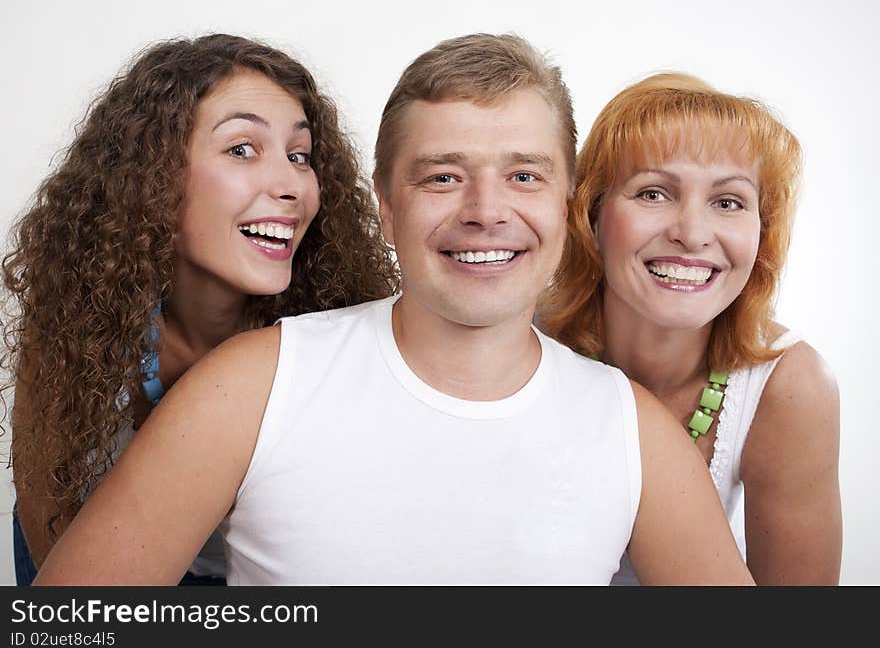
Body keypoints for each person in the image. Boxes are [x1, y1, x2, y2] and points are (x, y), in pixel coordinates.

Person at [35, 34, 752, 585]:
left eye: (524, 176)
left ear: (567, 207)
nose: (486, 211)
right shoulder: (248, 385)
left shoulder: (632, 430)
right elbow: (65, 628)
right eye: (443, 176)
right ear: (383, 205)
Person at [3, 34, 398, 585]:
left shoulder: (333, 340)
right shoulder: (78, 317)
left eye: (300, 156)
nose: (289, 185)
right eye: (242, 149)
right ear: (153, 175)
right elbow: (53, 550)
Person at [539, 73, 841, 584]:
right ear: (590, 217)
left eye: (728, 202)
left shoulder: (790, 385)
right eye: (654, 193)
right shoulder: (520, 345)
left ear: (762, 232)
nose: (692, 234)